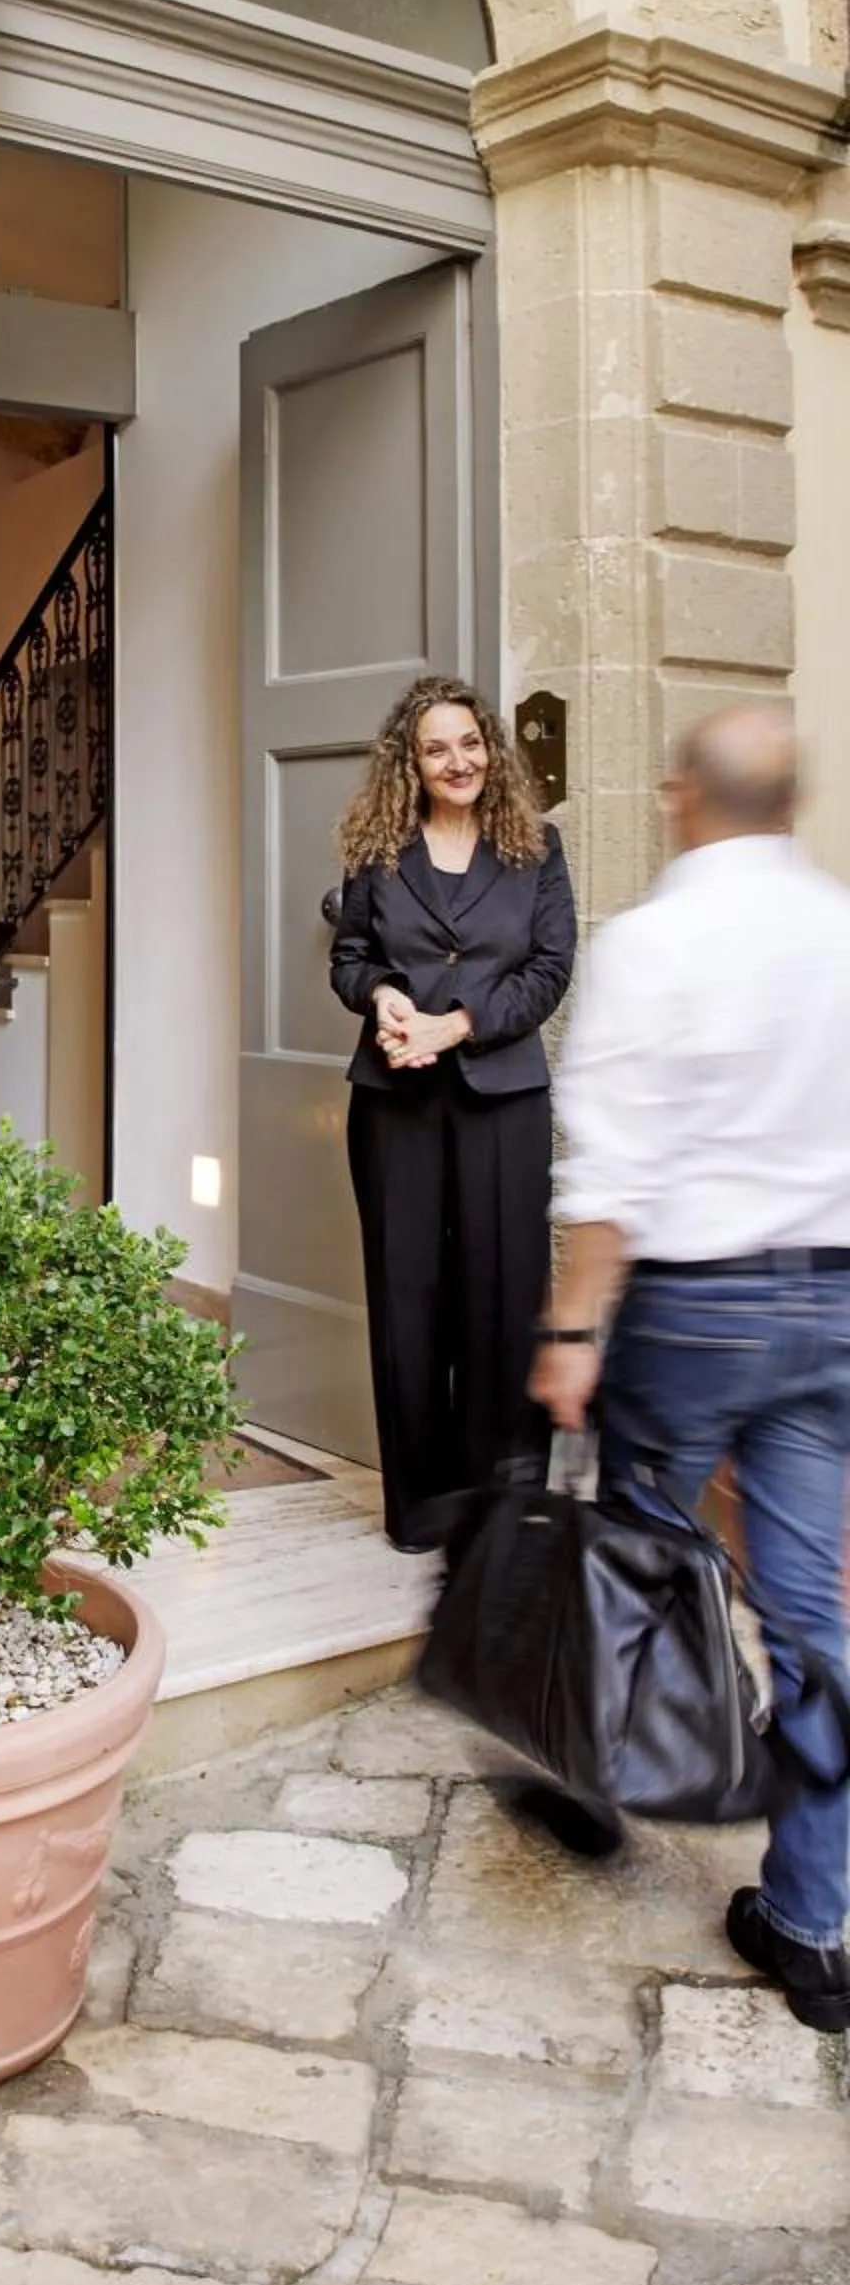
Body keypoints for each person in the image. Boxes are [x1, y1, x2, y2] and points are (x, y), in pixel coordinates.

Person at [531, 705, 850, 2033]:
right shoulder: (839, 930)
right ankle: (813, 1924)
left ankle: (599, 1790)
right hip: (829, 1298)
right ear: (792, 802)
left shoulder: (651, 944)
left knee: (637, 1562)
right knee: (812, 1614)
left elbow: (610, 1170)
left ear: (680, 798)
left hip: (694, 1306)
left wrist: (571, 1331)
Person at [330, 675, 576, 1549]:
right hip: (394, 1099)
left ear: (490, 749)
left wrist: (459, 1023)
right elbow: (349, 958)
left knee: (503, 1299)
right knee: (408, 1302)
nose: (458, 761)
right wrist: (382, 996)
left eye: (469, 743)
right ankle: (420, 1511)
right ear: (412, 761)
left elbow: (549, 970)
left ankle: (501, 1511)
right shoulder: (376, 850)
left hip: (502, 1098)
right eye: (437, 748)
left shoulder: (537, 849)